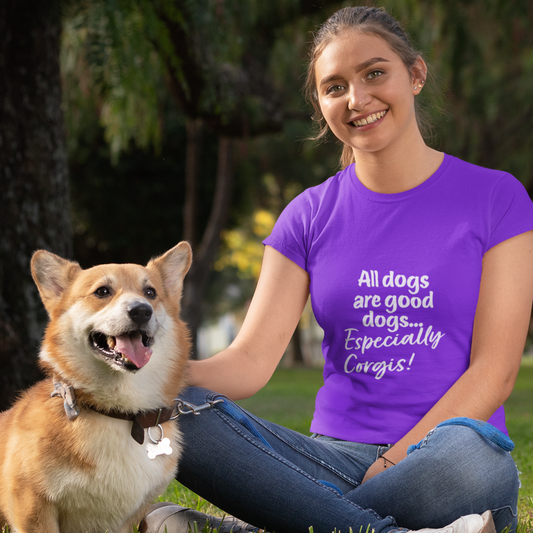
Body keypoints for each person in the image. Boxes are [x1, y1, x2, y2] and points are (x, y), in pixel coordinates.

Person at [140, 6, 533, 533]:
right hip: (327, 458)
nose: (357, 99)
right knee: (164, 411)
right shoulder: (307, 214)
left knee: (476, 455)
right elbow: (250, 362)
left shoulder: (495, 196)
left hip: (444, 458)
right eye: (335, 86)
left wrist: (393, 462)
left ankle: (271, 522)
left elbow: (496, 371)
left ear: (415, 75)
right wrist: (140, 376)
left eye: (375, 73)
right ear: (321, 104)